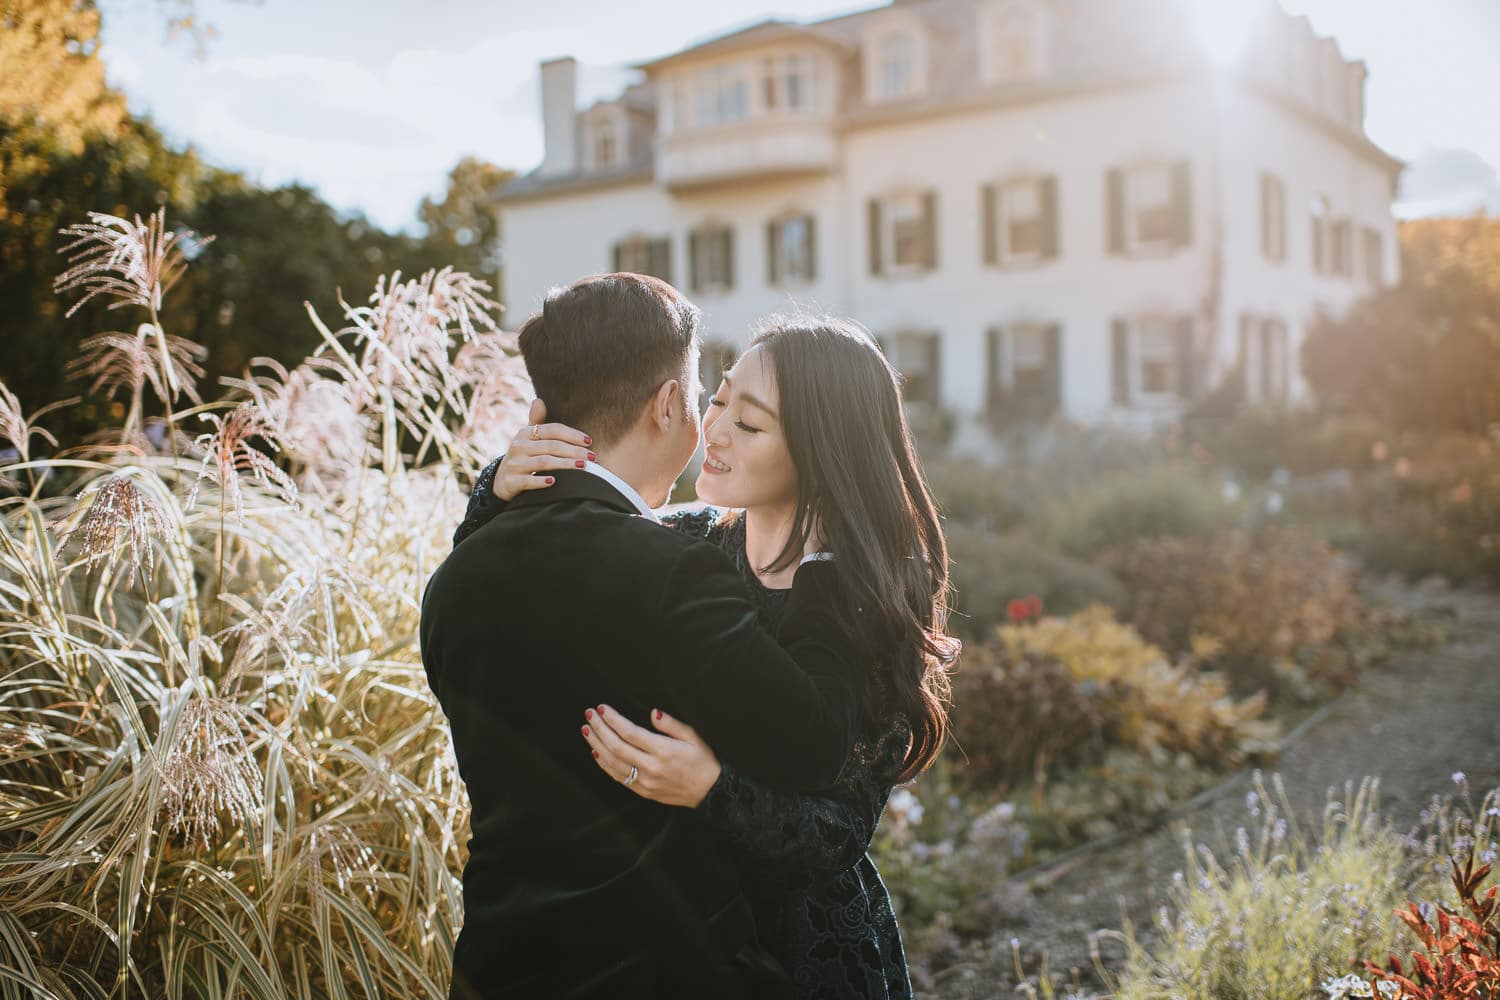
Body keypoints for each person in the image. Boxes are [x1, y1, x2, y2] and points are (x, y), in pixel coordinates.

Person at [461, 314, 960, 999]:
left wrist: (710, 789)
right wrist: (499, 493)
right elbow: (513, 609)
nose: (714, 429)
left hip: (799, 951)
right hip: (660, 944)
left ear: (821, 449)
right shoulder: (682, 545)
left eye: (749, 424)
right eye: (719, 397)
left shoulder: (865, 599)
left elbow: (838, 836)